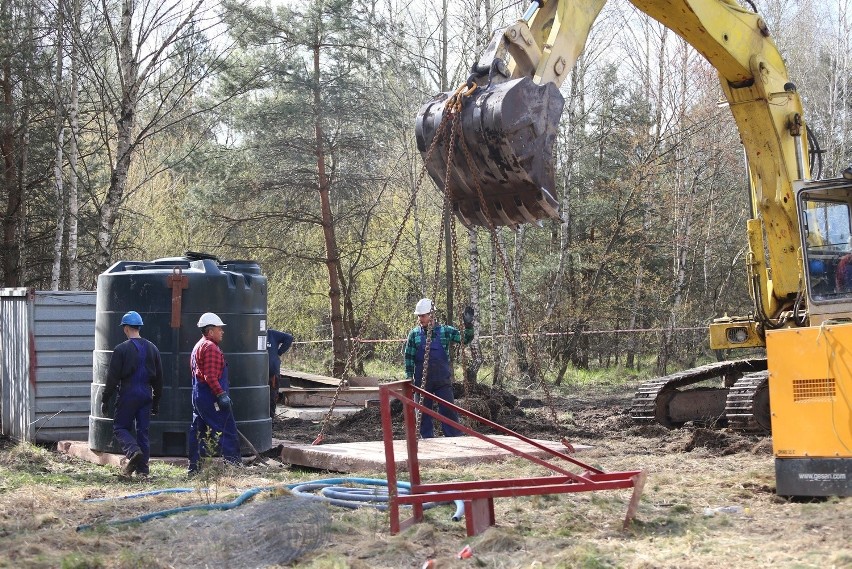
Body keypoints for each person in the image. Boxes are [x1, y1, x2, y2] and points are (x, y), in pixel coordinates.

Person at [100, 310, 163, 478]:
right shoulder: (153, 349)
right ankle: (143, 471)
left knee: (120, 427)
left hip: (128, 392)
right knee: (143, 432)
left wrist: (105, 399)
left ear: (126, 328)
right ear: (139, 327)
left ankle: (133, 451)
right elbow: (159, 379)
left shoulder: (121, 349)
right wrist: (156, 402)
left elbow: (112, 378)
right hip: (146, 393)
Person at [403, 298, 475, 438]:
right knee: (422, 413)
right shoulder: (414, 334)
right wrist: (408, 377)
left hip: (442, 381)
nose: (420, 319)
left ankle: (454, 439)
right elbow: (409, 357)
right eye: (419, 316)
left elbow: (464, 339)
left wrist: (468, 325)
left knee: (449, 410)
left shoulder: (445, 331)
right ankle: (426, 440)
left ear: (432, 315)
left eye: (423, 315)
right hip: (422, 382)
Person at [187, 312, 241, 474]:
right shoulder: (211, 348)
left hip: (199, 395)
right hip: (211, 397)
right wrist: (221, 394)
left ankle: (194, 469)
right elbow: (210, 376)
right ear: (210, 331)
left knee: (198, 431)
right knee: (227, 429)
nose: (222, 331)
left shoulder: (198, 345)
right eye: (219, 329)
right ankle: (234, 468)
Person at [267, 329, 294, 417]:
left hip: (272, 374)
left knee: (272, 398)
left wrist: (279, 352)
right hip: (255, 374)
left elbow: (289, 338)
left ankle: (271, 421)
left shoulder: (271, 334)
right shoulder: (252, 334)